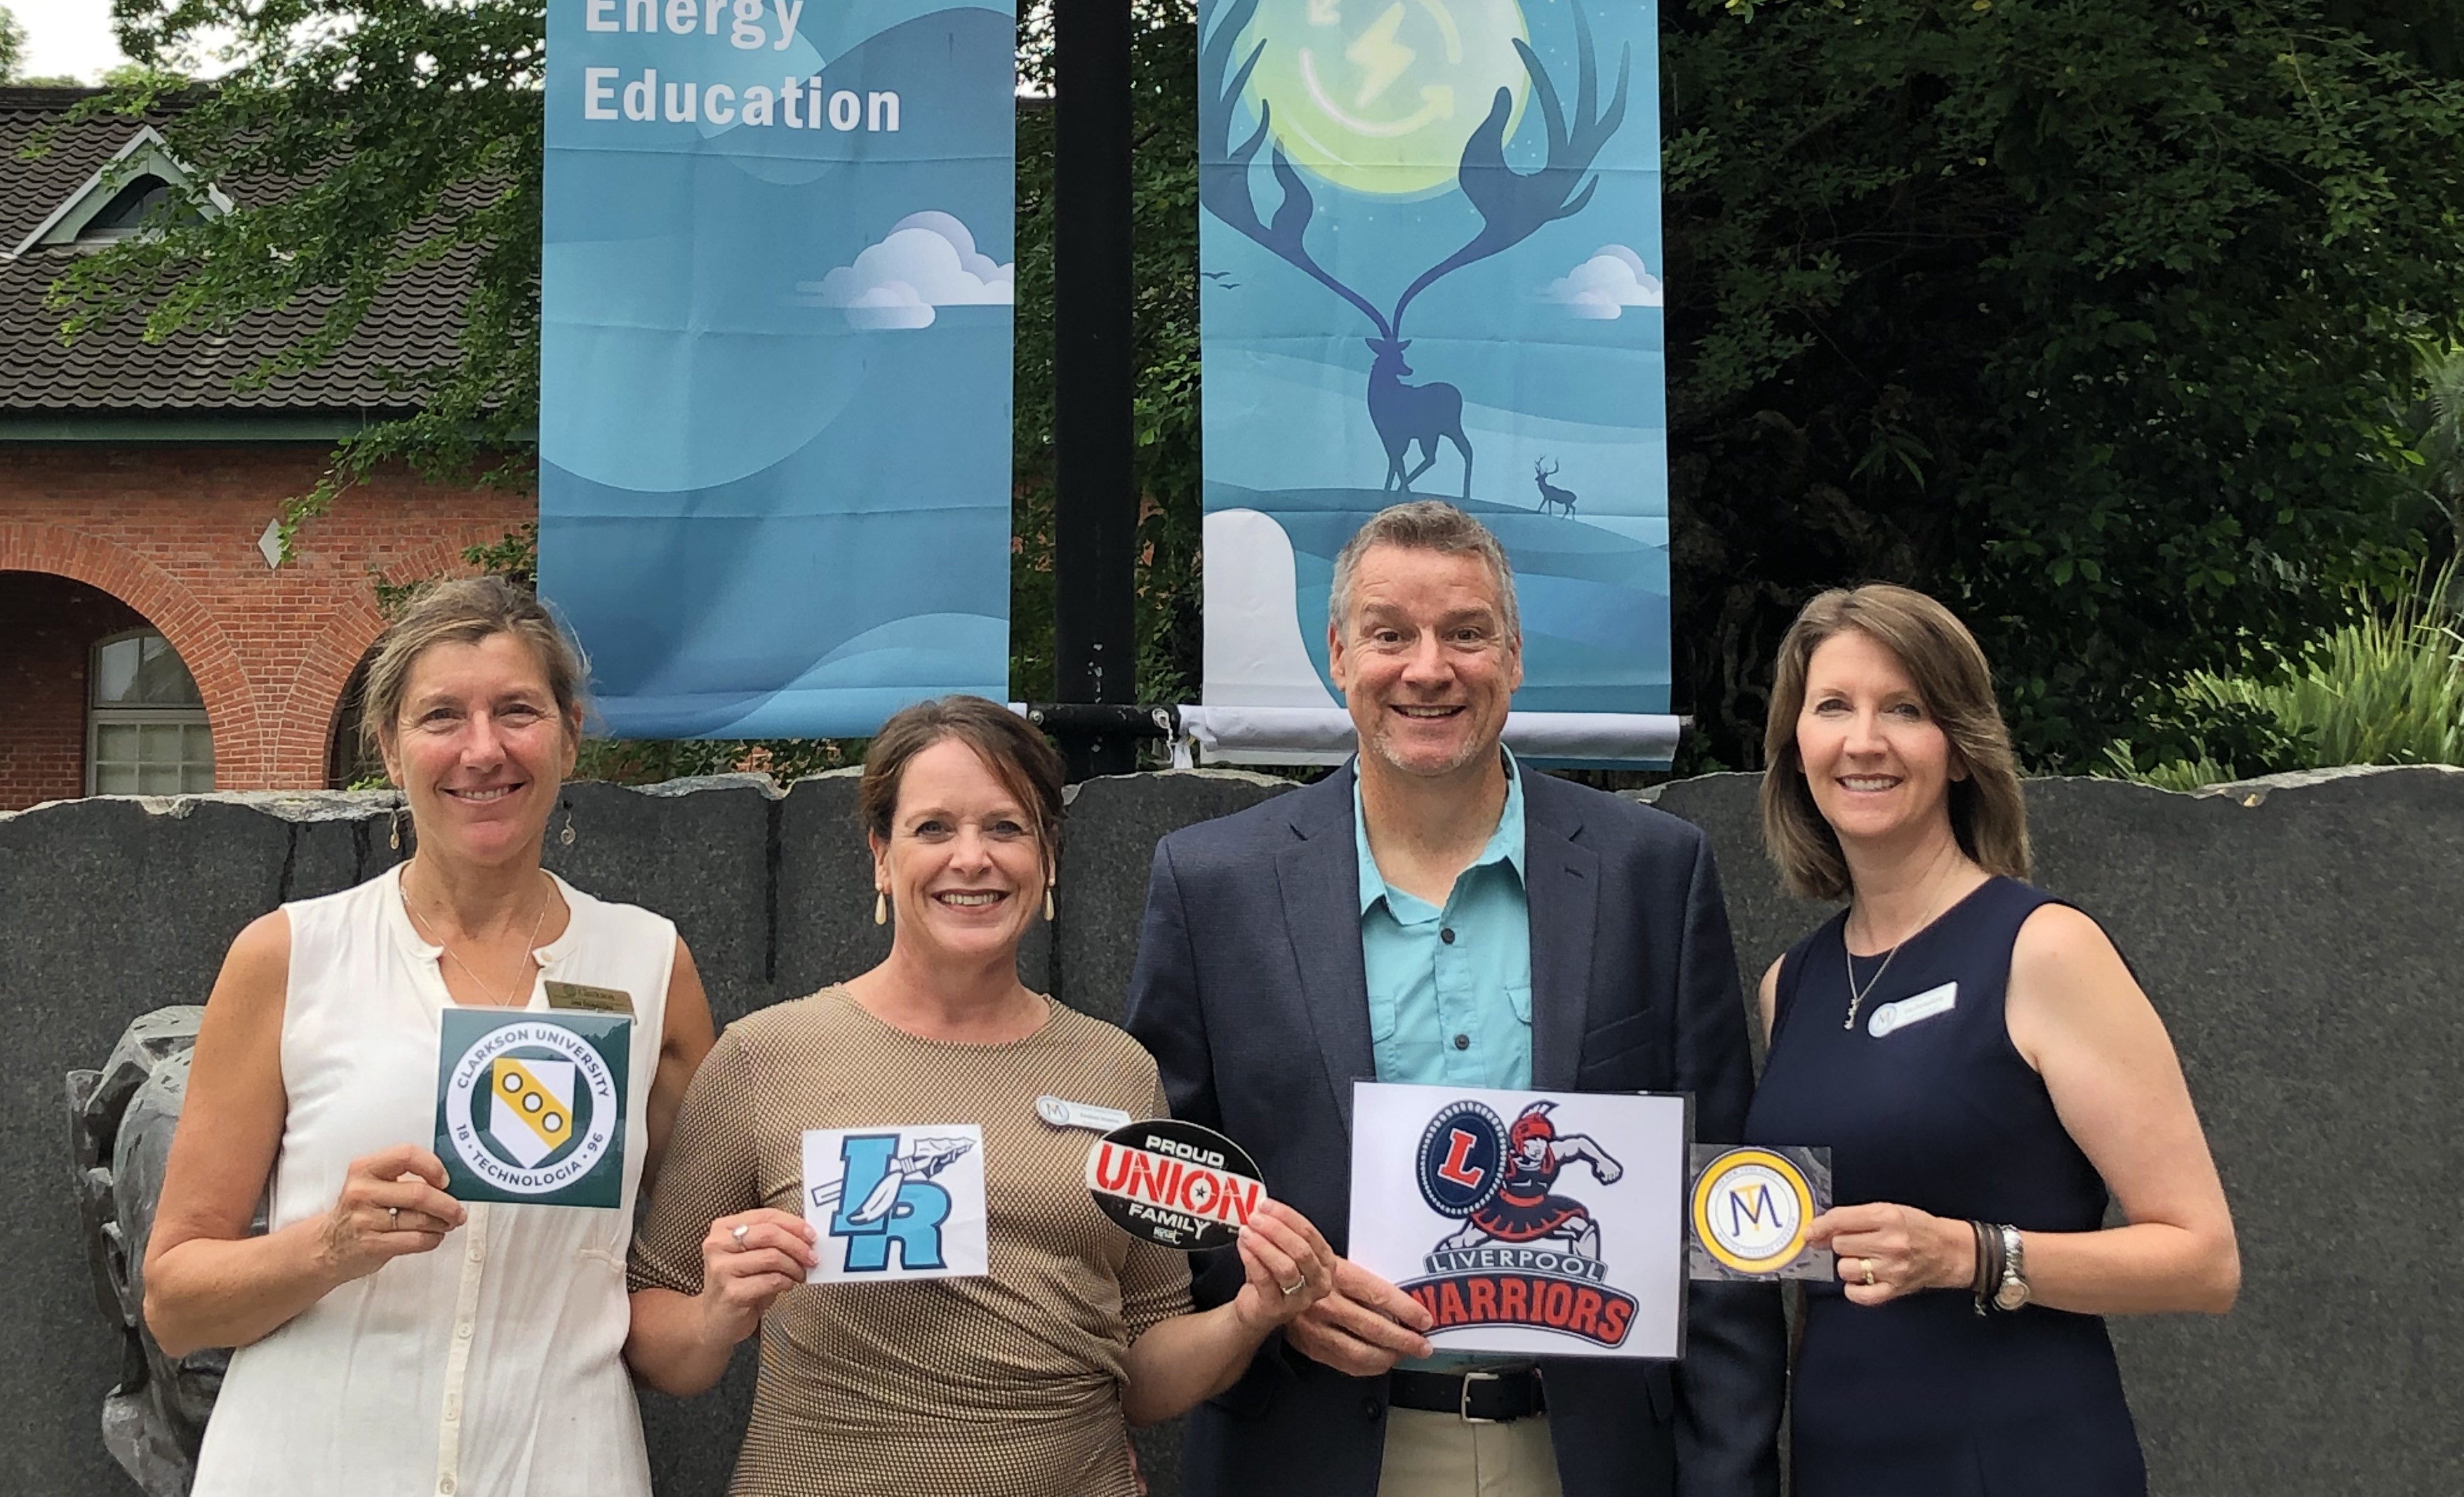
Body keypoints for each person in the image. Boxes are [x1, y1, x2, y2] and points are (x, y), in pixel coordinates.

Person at [1125, 500, 1782, 1497]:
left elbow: (1722, 1193)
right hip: (1312, 1451)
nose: (1428, 669)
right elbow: (1170, 1182)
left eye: (1465, 634)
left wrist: (1730, 1474)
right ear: (1340, 655)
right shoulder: (1212, 884)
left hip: (1589, 1457)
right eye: (1391, 635)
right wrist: (1269, 1299)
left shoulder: (1654, 871)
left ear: (1514, 655)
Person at [625, 695, 1338, 1496]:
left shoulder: (1118, 1070)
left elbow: (1141, 1376)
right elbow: (654, 1344)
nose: (973, 859)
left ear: (1049, 857)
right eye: (933, 828)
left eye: (1006, 827)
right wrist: (718, 1310)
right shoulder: (765, 1057)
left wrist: (1251, 1315)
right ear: (881, 858)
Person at [141, 575, 718, 1497]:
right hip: (310, 1465)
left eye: (518, 711)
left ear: (569, 734)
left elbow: (693, 1262)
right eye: (442, 716)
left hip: (560, 1467)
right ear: (389, 747)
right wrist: (329, 1244)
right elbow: (173, 1304)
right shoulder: (291, 955)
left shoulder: (647, 965)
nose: (482, 750)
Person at [1741, 584, 2238, 1493]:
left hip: (2018, 1458)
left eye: (1905, 709)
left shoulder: (2044, 949)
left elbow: (2203, 1260)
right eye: (1833, 707)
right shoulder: (1793, 985)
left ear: (1960, 750)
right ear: (1796, 745)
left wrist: (1968, 1254)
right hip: (1838, 1462)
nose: (1864, 740)